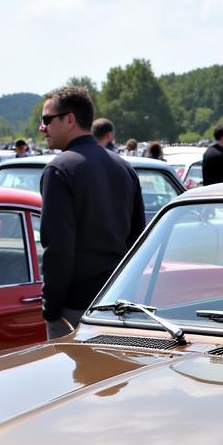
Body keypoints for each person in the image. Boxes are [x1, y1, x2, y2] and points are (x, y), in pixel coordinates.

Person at [38, 85, 144, 339]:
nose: (42, 128)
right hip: (117, 303)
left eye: (46, 120)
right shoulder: (124, 167)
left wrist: (50, 308)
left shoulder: (59, 170)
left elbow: (58, 247)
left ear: (70, 119)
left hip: (75, 309)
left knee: (71, 380)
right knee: (114, 378)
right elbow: (138, 241)